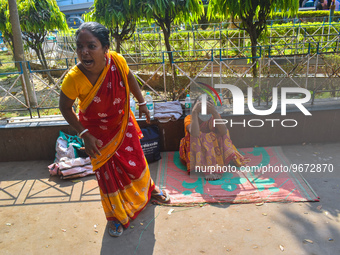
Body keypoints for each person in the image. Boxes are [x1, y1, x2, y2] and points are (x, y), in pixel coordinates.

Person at [59, 22, 170, 237]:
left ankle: (149, 191)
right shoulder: (73, 78)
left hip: (123, 125)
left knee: (137, 161)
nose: (84, 52)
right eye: (80, 46)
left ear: (105, 47)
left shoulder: (117, 61)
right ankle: (116, 216)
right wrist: (84, 134)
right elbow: (64, 108)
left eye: (91, 46)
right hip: (97, 136)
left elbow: (129, 78)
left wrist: (142, 102)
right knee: (108, 176)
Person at [179, 96, 249, 181]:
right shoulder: (190, 118)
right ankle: (207, 169)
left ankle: (216, 165)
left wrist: (214, 112)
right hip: (196, 150)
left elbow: (223, 132)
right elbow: (195, 133)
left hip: (213, 149)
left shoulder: (214, 116)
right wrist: (194, 111)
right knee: (196, 137)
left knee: (223, 133)